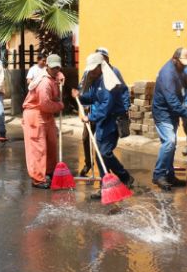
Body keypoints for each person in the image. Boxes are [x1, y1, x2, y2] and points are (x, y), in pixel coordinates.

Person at [73, 52, 133, 199]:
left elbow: (106, 106)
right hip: (102, 123)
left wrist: (90, 117)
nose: (91, 72)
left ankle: (124, 176)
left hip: (112, 122)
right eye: (91, 69)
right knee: (100, 155)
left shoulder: (108, 82)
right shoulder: (96, 80)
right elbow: (93, 97)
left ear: (101, 67)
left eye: (94, 69)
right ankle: (105, 185)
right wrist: (80, 96)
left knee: (105, 152)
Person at [151, 48, 187, 191]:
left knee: (172, 144)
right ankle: (158, 175)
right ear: (174, 59)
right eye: (182, 63)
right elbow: (171, 100)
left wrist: (185, 79)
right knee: (169, 142)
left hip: (172, 113)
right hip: (163, 112)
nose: (185, 66)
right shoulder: (167, 74)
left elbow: (180, 81)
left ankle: (169, 175)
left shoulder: (178, 69)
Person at [22, 54, 65, 189]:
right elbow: (45, 104)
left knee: (51, 144)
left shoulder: (52, 76)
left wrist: (60, 76)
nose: (56, 70)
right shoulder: (44, 83)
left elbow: (58, 75)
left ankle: (49, 171)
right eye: (53, 68)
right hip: (35, 115)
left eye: (58, 67)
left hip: (46, 115)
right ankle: (38, 178)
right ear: (47, 66)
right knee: (37, 148)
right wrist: (60, 105)